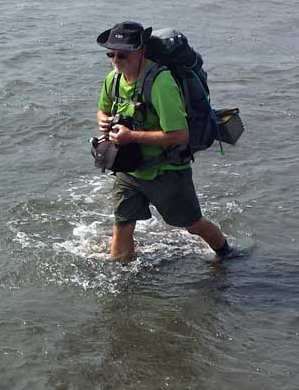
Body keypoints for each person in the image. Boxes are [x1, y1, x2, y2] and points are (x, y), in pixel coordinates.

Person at [96, 21, 235, 262]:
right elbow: (102, 110)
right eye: (111, 54)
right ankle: (122, 282)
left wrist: (131, 136)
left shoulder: (161, 84)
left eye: (122, 54)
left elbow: (180, 135)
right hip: (129, 170)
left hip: (167, 170)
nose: (116, 60)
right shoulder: (113, 79)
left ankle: (227, 253)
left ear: (141, 51)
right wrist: (105, 121)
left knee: (192, 224)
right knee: (122, 223)